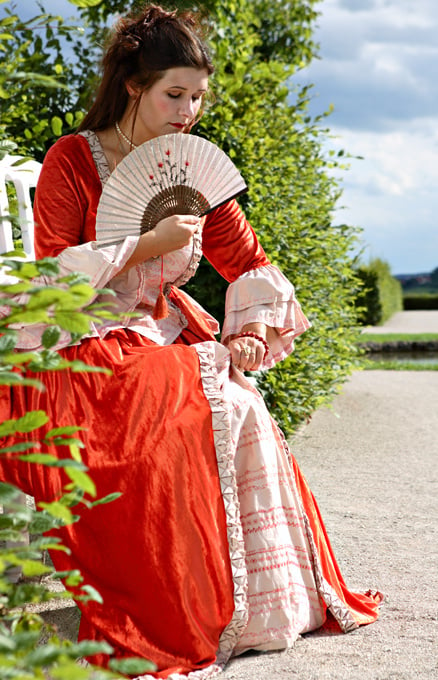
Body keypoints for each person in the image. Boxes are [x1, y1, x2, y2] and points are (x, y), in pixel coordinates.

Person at [0, 4, 382, 679]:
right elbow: (55, 276)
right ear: (134, 87)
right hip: (81, 341)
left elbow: (250, 260)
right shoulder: (73, 159)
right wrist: (148, 243)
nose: (188, 111)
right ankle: (189, 611)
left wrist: (256, 330)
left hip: (158, 335)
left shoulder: (188, 167)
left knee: (236, 399)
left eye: (199, 97)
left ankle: (258, 611)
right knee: (189, 405)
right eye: (174, 94)